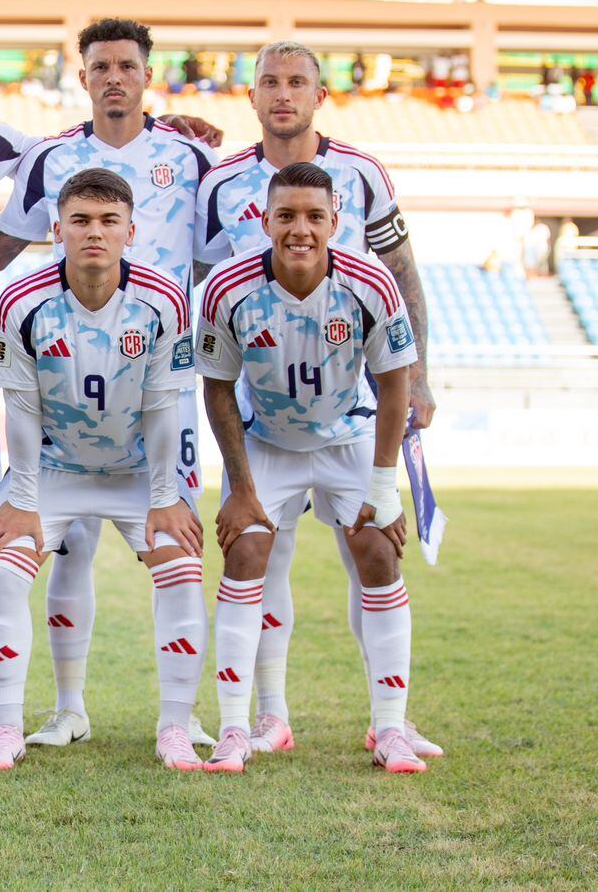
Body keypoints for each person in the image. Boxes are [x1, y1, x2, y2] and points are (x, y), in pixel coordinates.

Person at [194, 39, 442, 759]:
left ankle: (391, 720)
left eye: (296, 80)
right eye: (268, 80)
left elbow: (401, 270)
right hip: (264, 411)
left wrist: (418, 376)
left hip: (348, 411)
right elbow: (217, 314)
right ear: (251, 95)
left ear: (319, 93)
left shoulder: (362, 174)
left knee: (373, 547)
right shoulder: (222, 187)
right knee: (257, 555)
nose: (282, 93)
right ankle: (260, 717)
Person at [0, 18, 215, 749]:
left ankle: (191, 717)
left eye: (127, 64)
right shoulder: (50, 157)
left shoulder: (194, 154)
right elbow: (3, 244)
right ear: (81, 77)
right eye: (100, 66)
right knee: (68, 551)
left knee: (181, 548)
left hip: (154, 372)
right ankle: (66, 709)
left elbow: (222, 248)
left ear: (149, 75)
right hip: (62, 386)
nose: (114, 76)